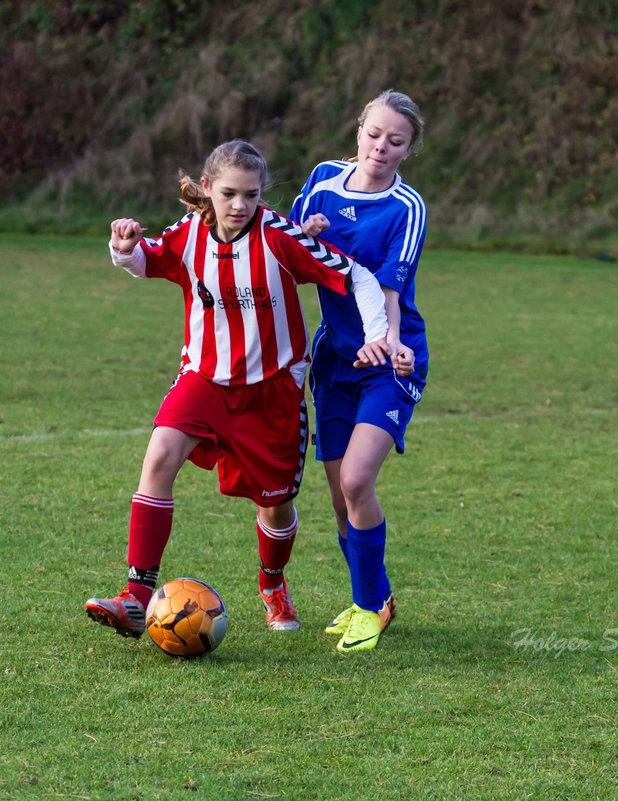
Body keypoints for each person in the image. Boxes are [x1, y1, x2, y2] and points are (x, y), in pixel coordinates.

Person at [85, 139, 397, 639]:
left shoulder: (279, 236)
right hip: (204, 380)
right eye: (229, 193)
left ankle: (272, 582)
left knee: (274, 504)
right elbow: (147, 258)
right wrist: (122, 248)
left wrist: (378, 334)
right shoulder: (188, 232)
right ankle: (136, 596)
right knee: (160, 455)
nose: (239, 205)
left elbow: (356, 276)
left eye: (251, 195)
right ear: (207, 189)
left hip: (272, 393)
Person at [289, 90, 428, 653]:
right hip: (335, 359)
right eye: (374, 135)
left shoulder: (406, 208)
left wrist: (390, 343)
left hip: (390, 360)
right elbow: (284, 248)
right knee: (337, 497)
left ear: (409, 148)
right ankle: (372, 596)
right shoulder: (323, 177)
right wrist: (309, 233)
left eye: (396, 141)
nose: (381, 148)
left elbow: (389, 290)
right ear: (358, 131)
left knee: (356, 481)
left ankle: (371, 606)